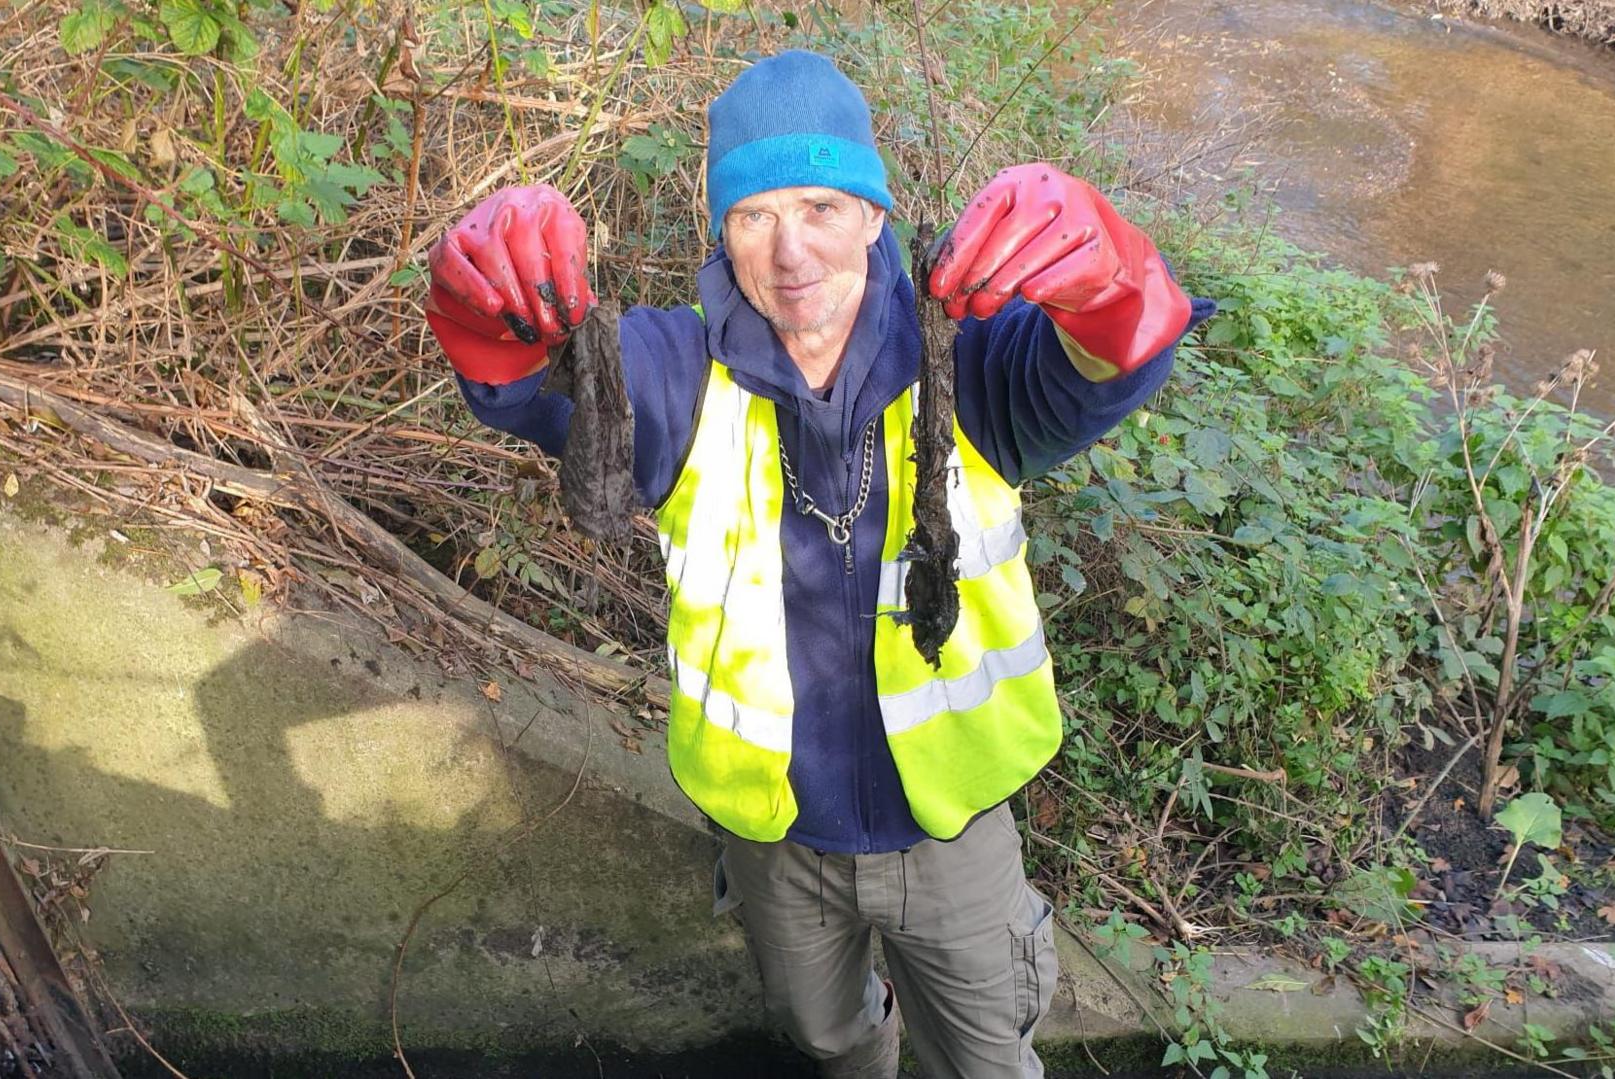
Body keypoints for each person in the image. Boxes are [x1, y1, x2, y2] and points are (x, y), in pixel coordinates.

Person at [423, 49, 1213, 1079]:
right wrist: (482, 305)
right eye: (755, 216)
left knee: (985, 1065)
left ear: (877, 215)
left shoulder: (970, 361)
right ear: (724, 233)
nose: (791, 249)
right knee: (832, 1042)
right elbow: (533, 385)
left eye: (822, 206)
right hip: (777, 836)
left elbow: (1117, 360)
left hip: (954, 835)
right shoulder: (671, 372)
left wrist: (1113, 275)